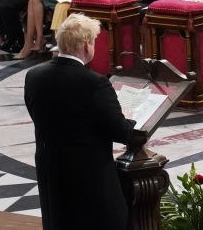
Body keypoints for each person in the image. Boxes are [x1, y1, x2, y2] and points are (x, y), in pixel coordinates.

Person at [24, 13, 141, 230]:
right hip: (89, 178)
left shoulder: (33, 76)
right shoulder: (94, 84)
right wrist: (132, 120)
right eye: (94, 41)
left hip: (51, 171)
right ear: (86, 45)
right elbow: (120, 131)